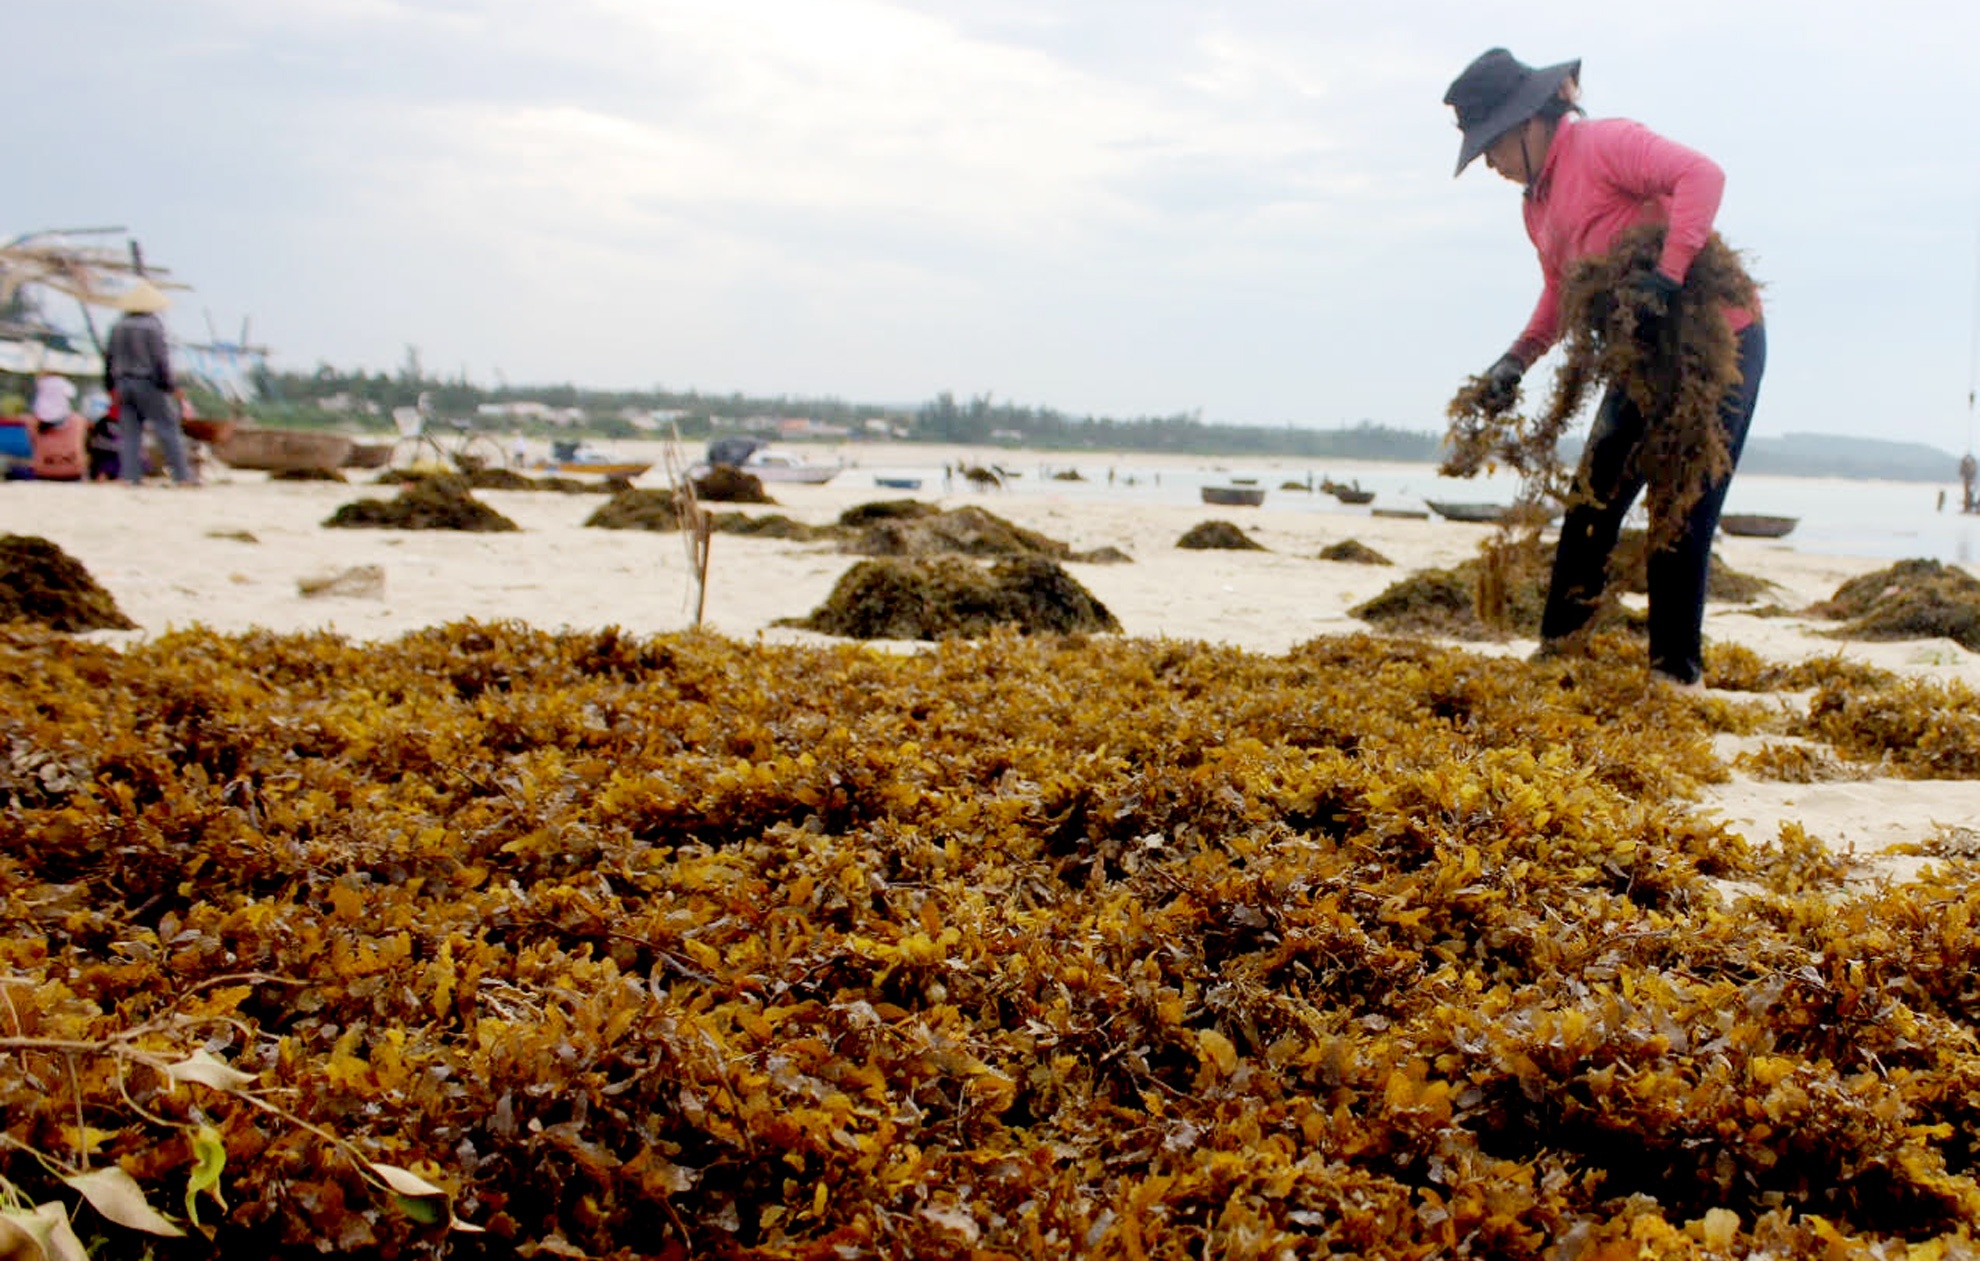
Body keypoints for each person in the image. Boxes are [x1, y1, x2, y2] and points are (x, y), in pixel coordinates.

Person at [1445, 48, 1765, 689]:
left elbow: (1702, 175)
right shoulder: (1536, 205)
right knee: (1592, 501)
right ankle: (1558, 658)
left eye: (1493, 146)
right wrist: (1515, 361)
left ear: (1532, 121)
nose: (1491, 164)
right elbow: (1561, 292)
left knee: (1680, 509)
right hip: (1641, 356)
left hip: (1714, 343)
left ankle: (1675, 678)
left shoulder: (1604, 143)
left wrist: (1668, 275)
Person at [103, 279, 196, 486]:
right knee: (167, 428)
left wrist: (110, 386)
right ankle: (182, 476)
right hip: (148, 382)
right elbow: (160, 360)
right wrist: (170, 386)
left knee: (130, 432)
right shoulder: (153, 326)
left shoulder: (117, 326)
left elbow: (108, 358)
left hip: (122, 383)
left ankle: (129, 476)